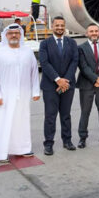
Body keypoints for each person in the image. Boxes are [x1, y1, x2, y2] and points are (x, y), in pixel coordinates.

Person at [0, 24, 40, 162]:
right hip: (5, 95)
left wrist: (35, 91)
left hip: (23, 94)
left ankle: (22, 149)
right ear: (6, 36)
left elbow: (34, 72)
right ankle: (1, 153)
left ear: (21, 35)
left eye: (17, 33)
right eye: (11, 33)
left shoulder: (27, 52)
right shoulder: (0, 52)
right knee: (4, 123)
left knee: (22, 121)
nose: (14, 36)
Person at [39, 16, 79, 155]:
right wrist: (58, 80)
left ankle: (67, 141)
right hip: (50, 86)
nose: (60, 28)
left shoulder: (72, 43)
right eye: (57, 25)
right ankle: (48, 144)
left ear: (65, 26)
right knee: (50, 116)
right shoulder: (44, 44)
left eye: (62, 25)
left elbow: (74, 62)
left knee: (66, 115)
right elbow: (44, 63)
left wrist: (65, 80)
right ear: (52, 26)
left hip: (67, 85)